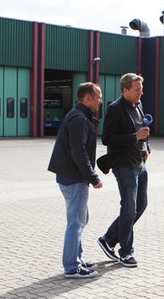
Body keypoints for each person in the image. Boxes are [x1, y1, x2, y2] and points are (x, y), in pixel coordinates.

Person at [48, 82, 103, 278]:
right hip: (74, 178)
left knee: (80, 219)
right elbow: (78, 152)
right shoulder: (79, 119)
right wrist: (93, 177)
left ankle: (77, 259)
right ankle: (71, 266)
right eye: (98, 97)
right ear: (87, 98)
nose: (100, 100)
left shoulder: (77, 115)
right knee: (76, 222)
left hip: (69, 176)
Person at [97, 72, 150, 268]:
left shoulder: (138, 105)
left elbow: (140, 130)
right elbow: (107, 138)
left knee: (141, 205)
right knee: (128, 209)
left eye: (141, 89)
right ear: (125, 89)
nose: (141, 93)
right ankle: (126, 252)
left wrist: (146, 146)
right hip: (124, 165)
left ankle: (108, 239)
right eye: (137, 89)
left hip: (140, 163)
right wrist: (134, 137)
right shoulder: (115, 109)